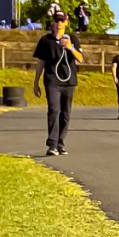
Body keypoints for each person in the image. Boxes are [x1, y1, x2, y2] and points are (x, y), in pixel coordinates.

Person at [32, 11, 84, 156]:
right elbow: (41, 62)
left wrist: (70, 47)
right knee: (54, 109)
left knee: (65, 113)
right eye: (57, 20)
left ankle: (61, 142)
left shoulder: (73, 38)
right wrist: (36, 82)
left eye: (62, 20)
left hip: (69, 81)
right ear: (53, 22)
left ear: (66, 22)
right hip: (52, 80)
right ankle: (52, 144)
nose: (59, 23)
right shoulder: (45, 40)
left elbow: (81, 59)